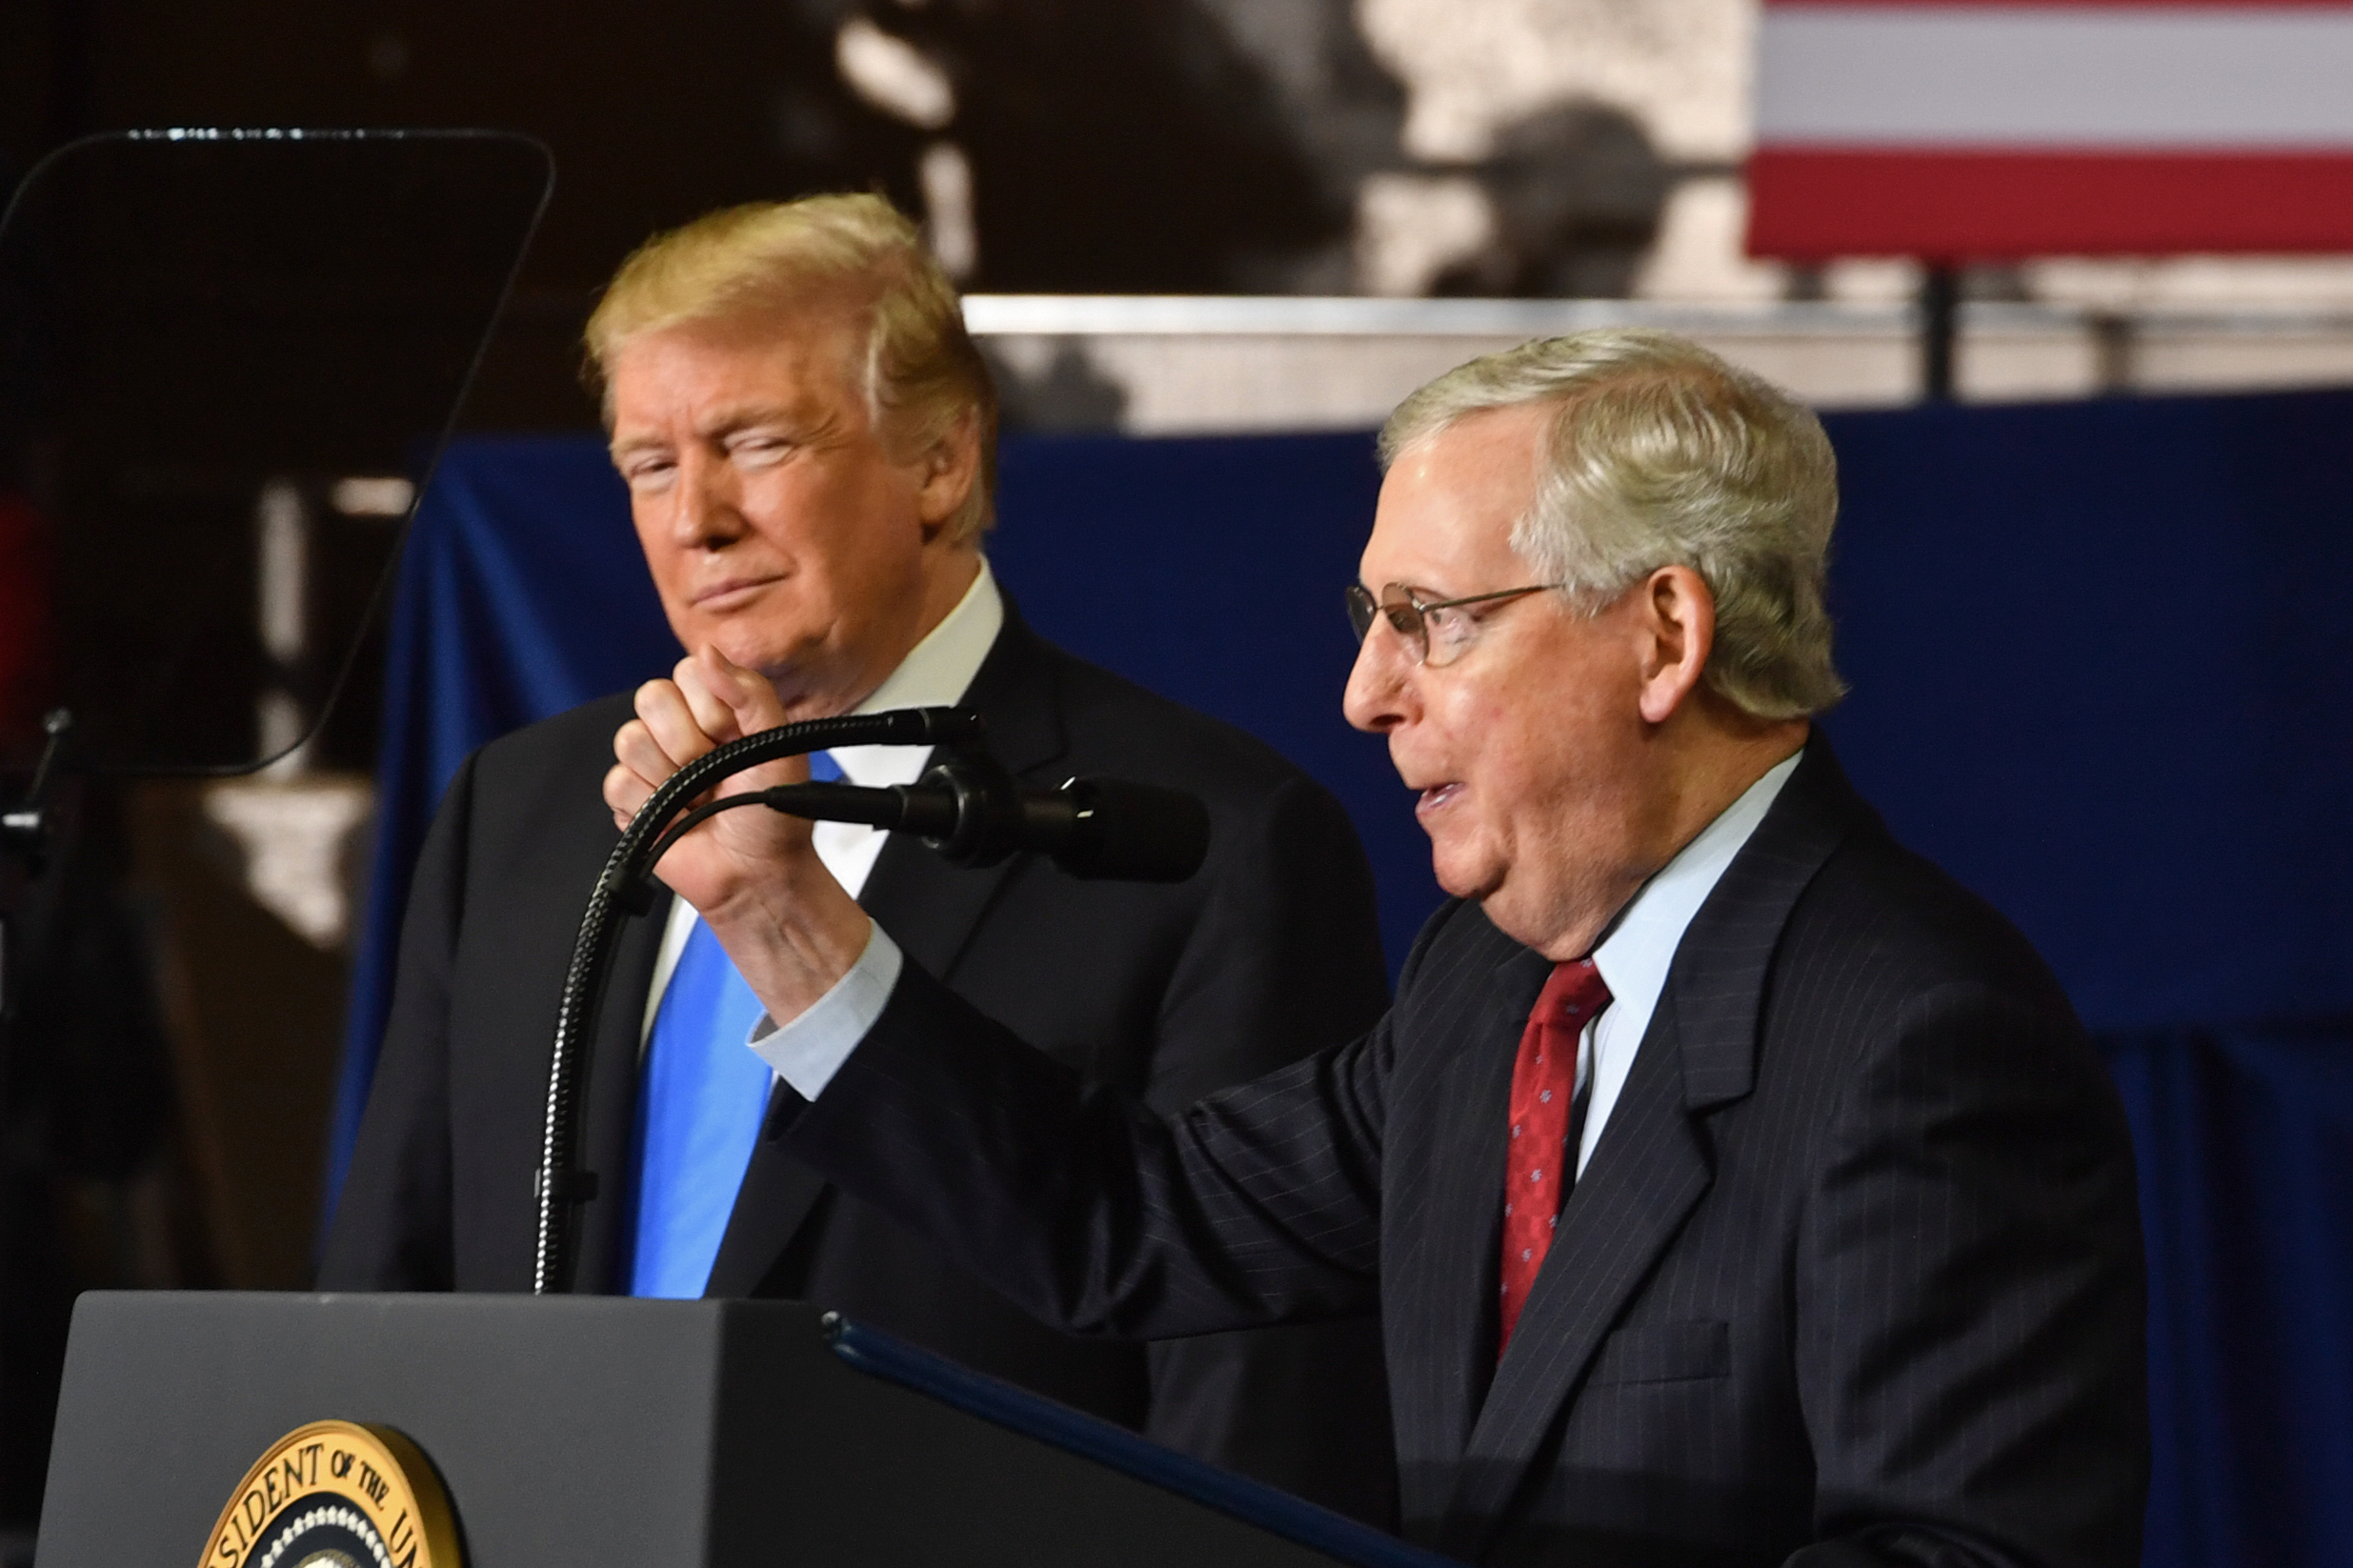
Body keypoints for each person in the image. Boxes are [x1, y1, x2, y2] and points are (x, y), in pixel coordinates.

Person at [612, 330, 2151, 1567]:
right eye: (1369, 618)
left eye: (1429, 619)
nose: (1363, 692)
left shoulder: (1915, 1034)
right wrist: (777, 912)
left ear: (1664, 635)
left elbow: (1958, 1547)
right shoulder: (1485, 988)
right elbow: (1123, 1222)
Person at [320, 193, 1399, 1522]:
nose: (694, 518)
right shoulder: (523, 807)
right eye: (648, 465)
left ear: (940, 460)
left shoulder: (1200, 840)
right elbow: (386, 1296)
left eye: (753, 442)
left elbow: (1250, 1433)